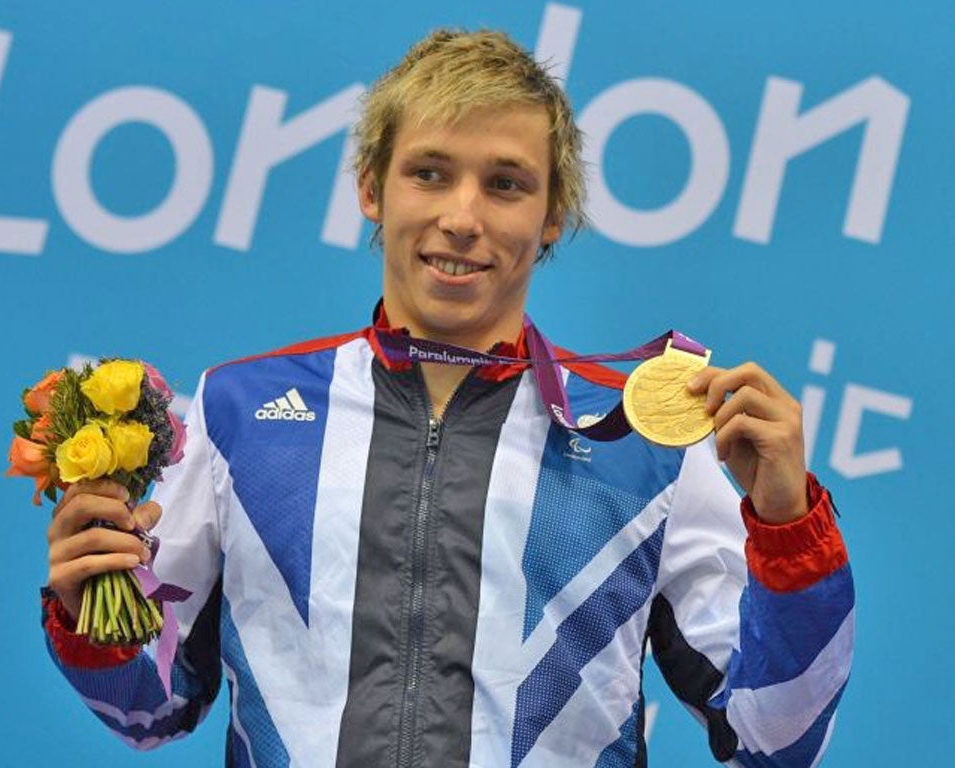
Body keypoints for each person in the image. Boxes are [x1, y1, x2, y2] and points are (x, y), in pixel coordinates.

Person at [41, 29, 853, 767]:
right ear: (371, 187)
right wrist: (91, 617)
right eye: (430, 173)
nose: (462, 218)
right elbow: (150, 712)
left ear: (553, 217)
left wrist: (788, 533)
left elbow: (773, 740)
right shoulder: (239, 412)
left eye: (505, 184)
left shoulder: (645, 440)